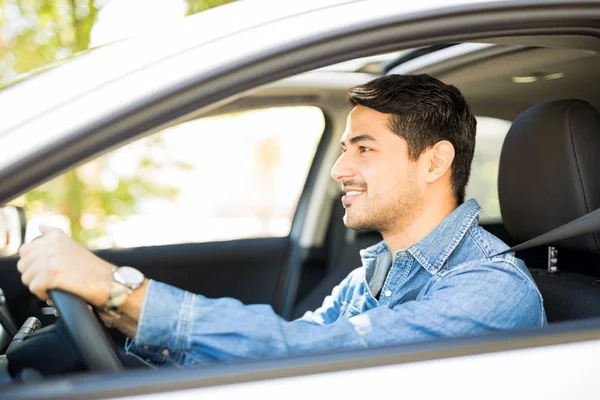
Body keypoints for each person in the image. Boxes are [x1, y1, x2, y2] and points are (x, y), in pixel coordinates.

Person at [17, 74, 547, 367]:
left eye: (364, 149)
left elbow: (321, 356)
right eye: (343, 150)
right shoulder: (375, 274)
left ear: (434, 162)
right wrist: (123, 322)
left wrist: (121, 291)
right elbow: (276, 355)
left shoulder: (491, 290)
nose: (341, 169)